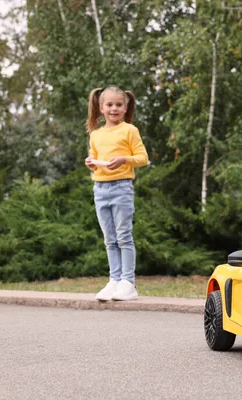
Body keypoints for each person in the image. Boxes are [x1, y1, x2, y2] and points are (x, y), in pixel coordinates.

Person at [85, 86, 148, 300]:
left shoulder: (129, 130)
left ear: (125, 106)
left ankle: (128, 282)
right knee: (109, 239)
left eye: (118, 105)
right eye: (109, 105)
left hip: (121, 187)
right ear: (101, 107)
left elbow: (142, 158)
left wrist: (124, 159)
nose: (114, 108)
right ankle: (114, 279)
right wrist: (91, 164)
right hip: (100, 189)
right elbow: (94, 158)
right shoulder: (95, 134)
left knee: (123, 236)